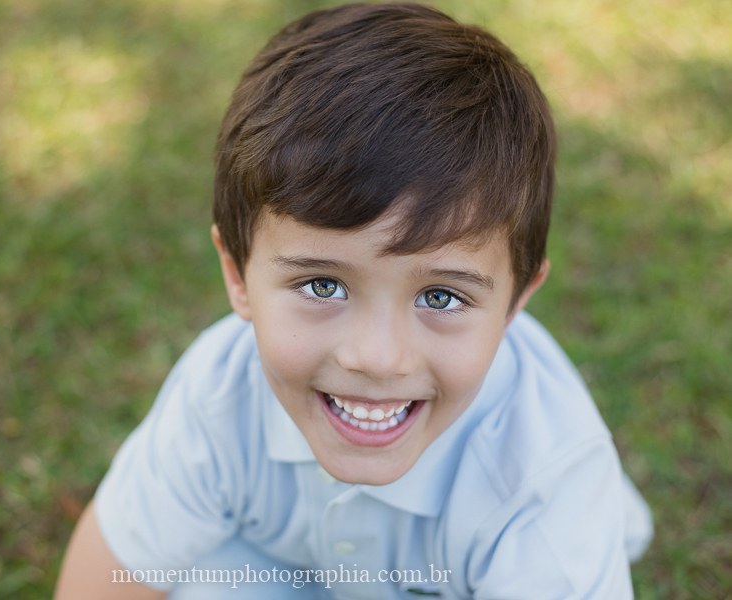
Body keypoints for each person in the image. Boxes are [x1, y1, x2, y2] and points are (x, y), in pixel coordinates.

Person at [54, 3, 653, 598]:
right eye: (323, 285)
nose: (377, 357)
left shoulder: (543, 486)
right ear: (237, 274)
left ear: (516, 302)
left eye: (441, 296)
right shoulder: (221, 397)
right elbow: (107, 579)